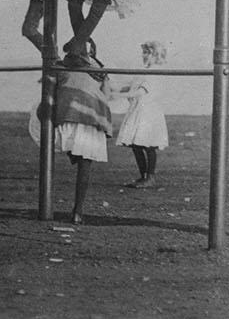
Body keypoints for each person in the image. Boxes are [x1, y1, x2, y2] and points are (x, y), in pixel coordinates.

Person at [29, 37, 113, 226]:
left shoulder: (60, 66)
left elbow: (47, 91)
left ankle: (73, 155)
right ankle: (77, 212)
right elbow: (107, 96)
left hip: (70, 117)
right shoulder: (100, 70)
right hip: (91, 118)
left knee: (66, 143)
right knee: (85, 163)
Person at [108, 40, 170, 188]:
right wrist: (113, 90)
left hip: (148, 112)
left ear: (155, 55)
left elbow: (139, 91)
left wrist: (117, 95)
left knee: (148, 145)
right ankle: (143, 176)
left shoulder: (154, 73)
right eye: (144, 52)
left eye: (147, 52)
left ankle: (150, 177)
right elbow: (130, 87)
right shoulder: (142, 71)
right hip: (138, 110)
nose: (144, 55)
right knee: (136, 145)